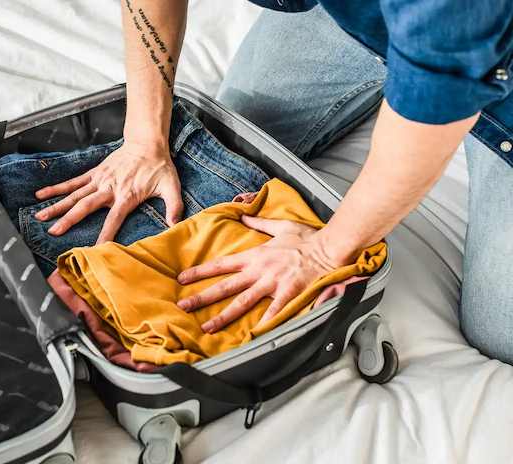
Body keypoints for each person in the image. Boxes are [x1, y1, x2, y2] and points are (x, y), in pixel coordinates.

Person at [33, 0, 513, 364]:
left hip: (469, 38)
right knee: (219, 160)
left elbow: (438, 96)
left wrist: (323, 252)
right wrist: (143, 139)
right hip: (359, 14)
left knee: (502, 331)